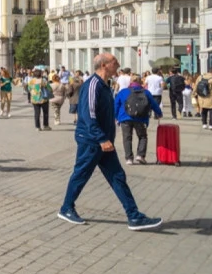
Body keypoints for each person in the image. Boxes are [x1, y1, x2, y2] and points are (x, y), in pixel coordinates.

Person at [58, 53, 162, 230]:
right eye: (115, 62)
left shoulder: (104, 85)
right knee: (81, 174)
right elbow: (88, 115)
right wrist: (101, 138)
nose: (118, 64)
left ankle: (134, 216)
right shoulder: (92, 84)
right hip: (92, 141)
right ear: (104, 65)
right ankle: (66, 208)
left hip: (104, 141)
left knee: (117, 176)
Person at [115, 78, 162, 165]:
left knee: (127, 138)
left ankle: (129, 158)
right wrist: (159, 113)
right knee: (142, 136)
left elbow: (116, 104)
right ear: (141, 83)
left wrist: (116, 117)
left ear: (131, 83)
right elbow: (153, 104)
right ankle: (140, 155)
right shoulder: (146, 92)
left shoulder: (123, 92)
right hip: (141, 118)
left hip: (125, 118)